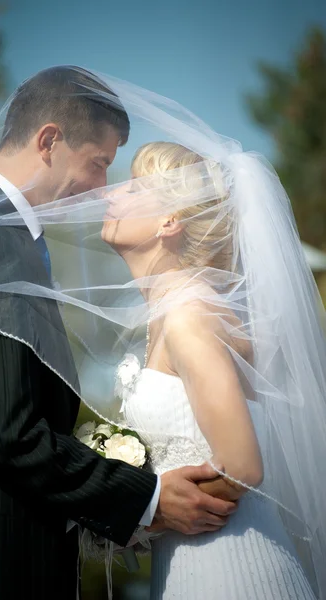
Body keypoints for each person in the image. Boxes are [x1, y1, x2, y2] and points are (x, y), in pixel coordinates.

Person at [0, 67, 235, 600]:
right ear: (49, 141)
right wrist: (145, 500)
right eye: (99, 163)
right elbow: (9, 434)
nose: (103, 189)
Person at [102, 141, 321, 599]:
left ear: (170, 221)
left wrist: (157, 510)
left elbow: (243, 466)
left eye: (133, 186)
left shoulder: (188, 316)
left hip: (233, 569)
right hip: (191, 564)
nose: (108, 194)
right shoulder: (175, 311)